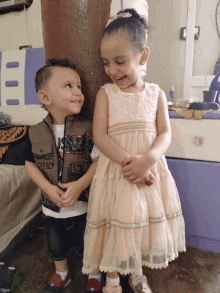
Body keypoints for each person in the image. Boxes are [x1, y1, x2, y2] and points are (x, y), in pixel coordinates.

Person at [82, 8, 186, 293]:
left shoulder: (156, 94)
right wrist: (131, 164)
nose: (112, 70)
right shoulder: (107, 93)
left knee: (139, 223)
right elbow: (99, 136)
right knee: (116, 222)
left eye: (120, 61)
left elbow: (165, 133)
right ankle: (112, 276)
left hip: (149, 172)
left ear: (143, 56)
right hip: (118, 172)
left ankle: (137, 272)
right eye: (106, 63)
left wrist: (148, 160)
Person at [25, 58, 100, 293]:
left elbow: (100, 160)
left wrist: (79, 185)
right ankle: (62, 274)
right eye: (68, 86)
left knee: (89, 245)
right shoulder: (34, 131)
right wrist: (47, 189)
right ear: (45, 97)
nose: (78, 92)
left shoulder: (89, 127)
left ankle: (95, 276)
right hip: (51, 208)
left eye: (79, 86)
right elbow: (29, 164)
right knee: (56, 246)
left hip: (85, 207)